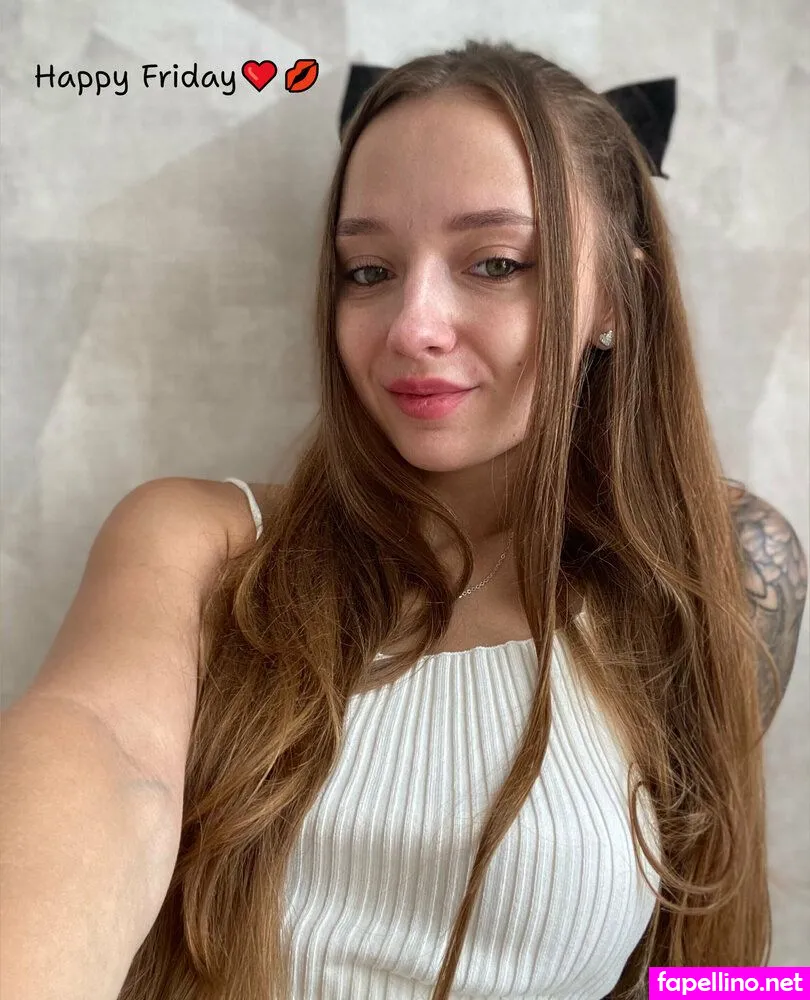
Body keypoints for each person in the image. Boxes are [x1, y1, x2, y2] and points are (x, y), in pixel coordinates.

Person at [2, 40, 772, 1000]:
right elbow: (103, 756)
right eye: (368, 271)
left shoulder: (720, 573)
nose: (413, 326)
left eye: (495, 263)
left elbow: (700, 971)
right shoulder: (200, 545)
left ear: (617, 298)